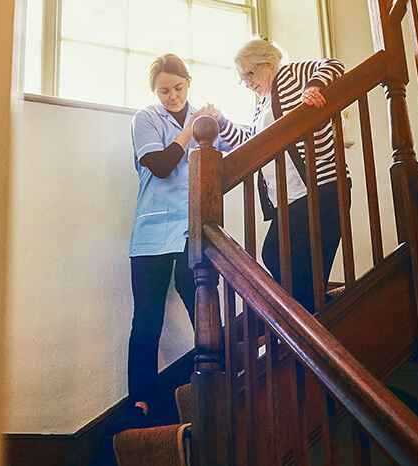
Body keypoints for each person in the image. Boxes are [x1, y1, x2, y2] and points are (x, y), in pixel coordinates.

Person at [127, 53, 228, 424]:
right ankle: (140, 400)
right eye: (164, 90)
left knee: (200, 305)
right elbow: (162, 164)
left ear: (189, 83)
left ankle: (220, 383)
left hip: (194, 229)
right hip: (152, 232)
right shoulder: (145, 119)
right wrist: (195, 126)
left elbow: (236, 151)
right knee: (147, 318)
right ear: (154, 91)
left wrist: (217, 120)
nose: (172, 96)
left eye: (179, 88)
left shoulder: (207, 118)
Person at [215, 37, 347, 314]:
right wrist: (221, 122)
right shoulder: (262, 105)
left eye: (248, 74)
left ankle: (315, 321)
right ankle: (317, 320)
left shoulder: (290, 74)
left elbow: (333, 65)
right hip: (290, 198)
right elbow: (250, 144)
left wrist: (314, 86)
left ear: (269, 62)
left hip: (318, 187)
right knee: (286, 262)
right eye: (242, 79)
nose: (247, 83)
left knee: (276, 254)